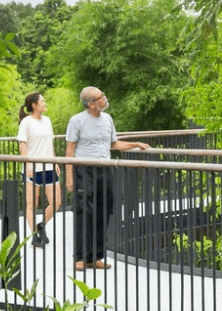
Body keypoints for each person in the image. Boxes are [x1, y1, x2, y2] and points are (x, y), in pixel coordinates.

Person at [64, 87, 151, 271]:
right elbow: (70, 150)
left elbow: (113, 144)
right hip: (84, 170)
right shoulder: (77, 121)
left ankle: (96, 256)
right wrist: (69, 177)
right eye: (100, 97)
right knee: (84, 214)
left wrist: (135, 144)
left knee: (102, 213)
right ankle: (80, 257)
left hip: (105, 170)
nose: (105, 98)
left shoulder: (108, 119)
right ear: (91, 103)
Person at [16, 92, 60, 247]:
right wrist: (27, 164)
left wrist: (55, 162)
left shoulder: (47, 121)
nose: (45, 103)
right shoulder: (26, 122)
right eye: (42, 101)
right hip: (33, 168)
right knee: (31, 204)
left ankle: (41, 225)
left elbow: (50, 144)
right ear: (34, 105)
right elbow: (22, 144)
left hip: (49, 167)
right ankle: (34, 235)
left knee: (56, 202)